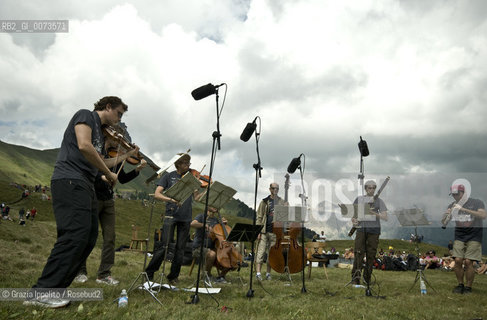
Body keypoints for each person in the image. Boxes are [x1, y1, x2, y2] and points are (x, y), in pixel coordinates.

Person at [25, 96, 137, 308]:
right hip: (69, 180)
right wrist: (107, 173)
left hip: (85, 184)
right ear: (108, 106)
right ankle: (42, 292)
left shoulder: (100, 133)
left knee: (88, 236)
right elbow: (84, 146)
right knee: (73, 235)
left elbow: (103, 162)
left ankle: (56, 289)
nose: (119, 119)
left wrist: (127, 155)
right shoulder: (86, 115)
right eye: (119, 114)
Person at [74, 135, 147, 285]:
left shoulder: (116, 157)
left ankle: (104, 274)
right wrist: (103, 177)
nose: (119, 143)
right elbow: (89, 171)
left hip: (108, 199)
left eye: (120, 141)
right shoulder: (96, 152)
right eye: (116, 140)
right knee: (87, 235)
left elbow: (123, 178)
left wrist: (138, 169)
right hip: (93, 196)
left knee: (110, 237)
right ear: (107, 138)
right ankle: (80, 271)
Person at [145, 154, 198, 283]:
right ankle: (149, 273)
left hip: (185, 217)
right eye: (186, 163)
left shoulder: (191, 178)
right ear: (178, 164)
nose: (188, 165)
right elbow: (157, 194)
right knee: (164, 246)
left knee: (180, 249)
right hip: (171, 215)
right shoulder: (169, 176)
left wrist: (203, 190)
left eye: (189, 163)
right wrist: (171, 199)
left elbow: (196, 198)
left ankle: (173, 276)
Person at [441, 183, 486, 294]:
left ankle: (468, 287)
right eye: (453, 195)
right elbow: (444, 223)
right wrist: (447, 214)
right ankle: (460, 284)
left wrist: (463, 209)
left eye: (457, 194)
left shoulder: (476, 202)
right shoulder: (452, 205)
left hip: (474, 235)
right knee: (457, 260)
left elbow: (483, 215)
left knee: (468, 261)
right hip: (460, 235)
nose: (455, 197)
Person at [350, 180, 388, 286]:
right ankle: (355, 279)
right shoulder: (359, 199)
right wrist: (354, 220)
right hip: (361, 230)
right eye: (369, 188)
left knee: (371, 255)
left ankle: (367, 279)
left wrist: (374, 213)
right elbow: (353, 215)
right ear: (366, 189)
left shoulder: (379, 201)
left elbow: (385, 217)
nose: (371, 190)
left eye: (373, 188)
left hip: (374, 231)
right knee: (358, 254)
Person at [255, 182, 286, 281]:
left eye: (277, 188)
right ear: (270, 189)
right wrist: (258, 232)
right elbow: (259, 217)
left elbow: (285, 218)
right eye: (273, 188)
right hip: (264, 231)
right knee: (260, 252)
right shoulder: (264, 202)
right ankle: (258, 273)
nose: (275, 190)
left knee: (271, 254)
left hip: (275, 233)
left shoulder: (282, 202)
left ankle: (268, 273)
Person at [191, 207, 230, 283]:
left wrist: (224, 225)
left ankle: (221, 276)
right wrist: (204, 224)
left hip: (213, 247)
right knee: (212, 254)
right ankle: (206, 275)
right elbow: (192, 224)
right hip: (199, 247)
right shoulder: (201, 216)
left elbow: (219, 234)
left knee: (229, 254)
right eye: (213, 206)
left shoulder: (215, 220)